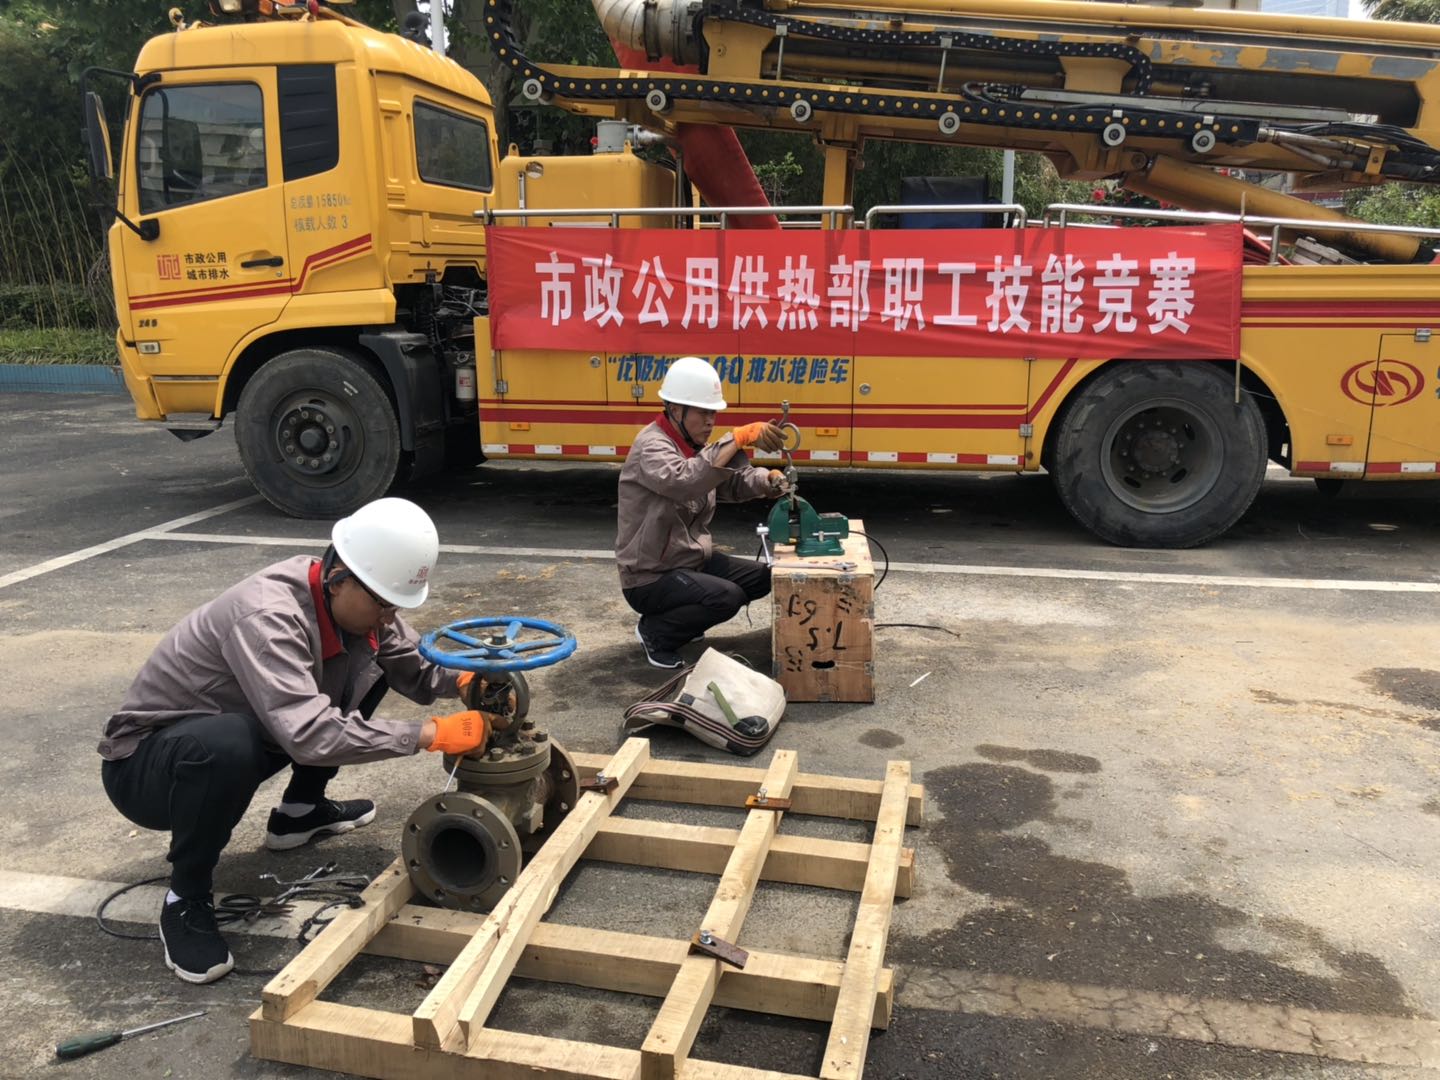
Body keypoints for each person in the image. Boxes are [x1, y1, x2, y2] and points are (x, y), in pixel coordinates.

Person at [98, 497, 498, 985]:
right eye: (383, 603)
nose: (389, 617)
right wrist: (430, 734)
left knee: (367, 665)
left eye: (396, 606)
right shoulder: (267, 616)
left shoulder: (354, 602)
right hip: (148, 769)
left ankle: (300, 813)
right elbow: (309, 734)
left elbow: (412, 665)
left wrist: (468, 680)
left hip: (253, 737)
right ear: (339, 577)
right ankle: (185, 898)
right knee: (229, 741)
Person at [617, 356, 790, 669]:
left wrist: (768, 480)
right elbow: (685, 480)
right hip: (650, 575)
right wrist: (737, 438)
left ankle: (684, 621)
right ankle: (656, 633)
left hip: (687, 561)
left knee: (766, 578)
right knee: (727, 597)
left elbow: (731, 481)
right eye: (703, 412)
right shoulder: (652, 446)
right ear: (675, 409)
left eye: (713, 413)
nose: (711, 421)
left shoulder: (696, 446)